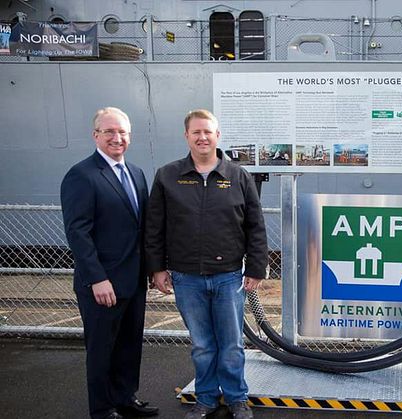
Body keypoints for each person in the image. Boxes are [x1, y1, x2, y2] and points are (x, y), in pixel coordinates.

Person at [145, 109, 268, 419]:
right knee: (202, 346)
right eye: (196, 132)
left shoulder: (238, 176)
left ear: (217, 136)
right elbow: (154, 226)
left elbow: (255, 226)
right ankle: (206, 399)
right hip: (186, 278)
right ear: (186, 136)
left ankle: (237, 398)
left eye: (208, 132)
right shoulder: (167, 176)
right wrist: (157, 268)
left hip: (228, 277)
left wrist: (256, 267)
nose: (202, 137)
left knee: (231, 346)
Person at [61, 107, 158, 419]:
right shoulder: (82, 175)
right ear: (96, 135)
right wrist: (97, 278)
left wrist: (154, 270)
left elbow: (142, 228)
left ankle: (125, 399)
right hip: (102, 283)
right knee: (102, 349)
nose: (117, 138)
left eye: (122, 132)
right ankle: (102, 409)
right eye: (109, 132)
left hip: (133, 280)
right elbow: (78, 233)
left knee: (129, 346)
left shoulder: (137, 174)